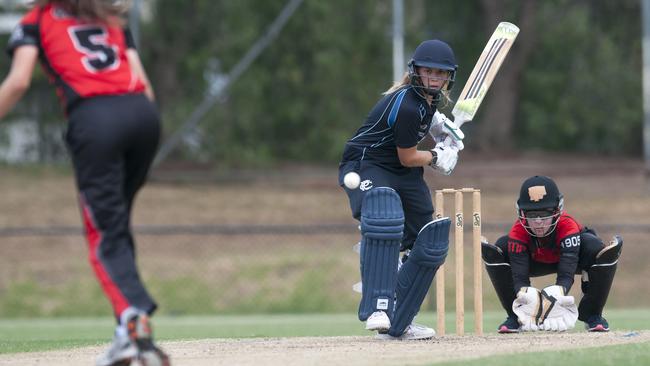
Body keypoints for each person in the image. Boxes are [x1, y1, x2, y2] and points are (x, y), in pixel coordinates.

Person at [0, 1, 169, 364]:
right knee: (116, 226)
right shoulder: (108, 16)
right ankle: (126, 333)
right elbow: (145, 84)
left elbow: (18, 82)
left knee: (104, 234)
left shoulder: (36, 22)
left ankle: (135, 322)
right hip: (143, 116)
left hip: (96, 120)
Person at [338, 39, 464, 340]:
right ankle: (378, 306)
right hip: (368, 165)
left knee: (428, 241)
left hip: (401, 172)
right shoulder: (407, 104)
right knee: (384, 216)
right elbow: (408, 156)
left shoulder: (427, 102)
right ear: (416, 72)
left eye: (440, 73)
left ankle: (401, 320)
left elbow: (416, 139)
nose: (434, 78)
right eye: (428, 72)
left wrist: (441, 129)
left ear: (448, 77)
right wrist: (437, 157)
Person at [482, 175, 622, 333]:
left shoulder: (567, 225)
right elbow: (519, 277)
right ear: (521, 213)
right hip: (533, 261)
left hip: (573, 260)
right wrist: (527, 301)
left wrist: (557, 295)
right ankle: (515, 317)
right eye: (532, 215)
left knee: (596, 247)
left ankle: (593, 315)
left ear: (557, 210)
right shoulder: (518, 232)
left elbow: (566, 272)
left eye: (545, 213)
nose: (539, 222)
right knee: (499, 249)